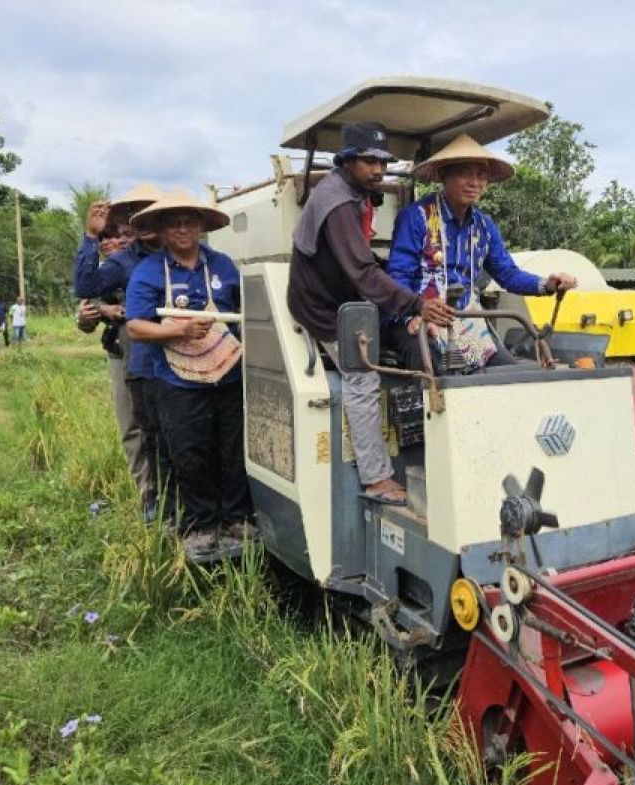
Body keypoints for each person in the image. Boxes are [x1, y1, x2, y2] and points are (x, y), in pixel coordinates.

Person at [286, 122, 455, 506]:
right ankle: (377, 478)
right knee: (362, 379)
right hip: (322, 306)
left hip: (347, 296)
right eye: (369, 161)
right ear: (347, 160)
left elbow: (364, 263)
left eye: (383, 161)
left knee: (412, 340)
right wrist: (416, 303)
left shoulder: (356, 191)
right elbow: (362, 272)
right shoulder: (338, 202)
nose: (378, 170)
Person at [126, 190, 253, 557]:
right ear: (163, 231)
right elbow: (136, 327)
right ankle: (198, 524)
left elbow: (248, 310)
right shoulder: (149, 272)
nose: (183, 229)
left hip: (228, 375)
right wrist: (177, 330)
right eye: (174, 223)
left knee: (230, 447)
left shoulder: (224, 266)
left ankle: (235, 517)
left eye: (189, 222)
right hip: (175, 380)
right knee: (188, 451)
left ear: (201, 227)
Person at [385, 134, 577, 373]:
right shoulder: (416, 217)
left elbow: (507, 274)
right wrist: (412, 316)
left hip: (467, 319)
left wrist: (547, 284)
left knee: (510, 375)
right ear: (445, 175)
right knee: (433, 371)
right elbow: (398, 277)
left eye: (481, 175)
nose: (475, 182)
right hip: (416, 316)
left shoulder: (484, 226)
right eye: (466, 173)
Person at [73, 183, 167, 523]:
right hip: (127, 353)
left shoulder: (179, 251)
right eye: (110, 235)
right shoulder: (121, 263)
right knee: (135, 425)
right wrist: (88, 237)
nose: (119, 238)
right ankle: (149, 495)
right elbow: (84, 294)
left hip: (176, 348)